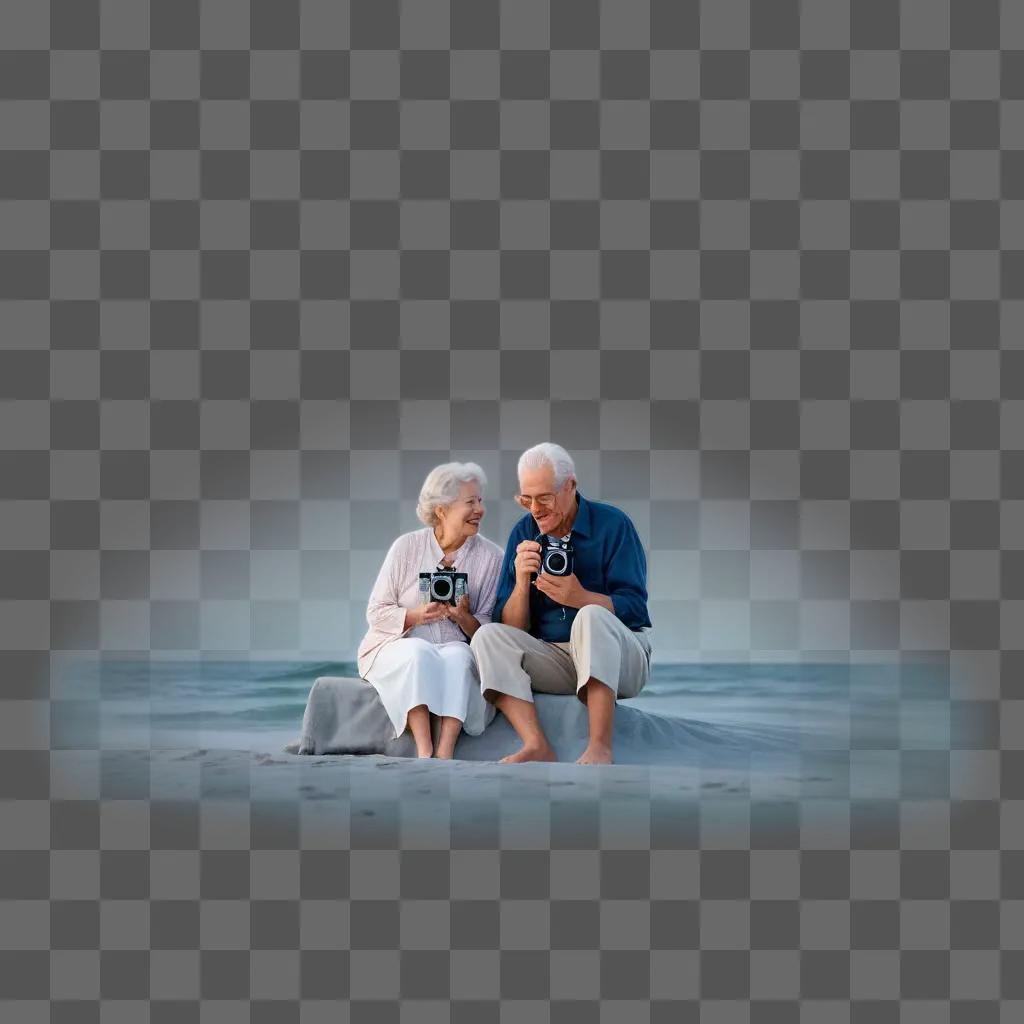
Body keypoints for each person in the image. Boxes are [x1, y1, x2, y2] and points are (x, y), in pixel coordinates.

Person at [470, 443, 652, 764]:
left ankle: (600, 747)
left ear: (570, 486)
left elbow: (636, 609)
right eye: (526, 499)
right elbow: (510, 629)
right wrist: (522, 583)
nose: (535, 509)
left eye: (545, 498)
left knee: (591, 616)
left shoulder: (613, 525)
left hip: (621, 658)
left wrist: (579, 598)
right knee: (487, 636)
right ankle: (536, 745)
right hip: (558, 659)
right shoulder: (523, 531)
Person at [357, 462, 503, 759]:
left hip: (454, 643)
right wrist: (415, 616)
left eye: (480, 500)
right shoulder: (406, 547)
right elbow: (376, 612)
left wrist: (463, 616)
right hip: (400, 644)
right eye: (470, 502)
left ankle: (446, 749)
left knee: (460, 658)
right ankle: (424, 748)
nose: (479, 509)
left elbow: (488, 628)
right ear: (442, 510)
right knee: (419, 652)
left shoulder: (492, 557)